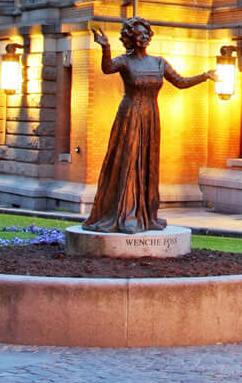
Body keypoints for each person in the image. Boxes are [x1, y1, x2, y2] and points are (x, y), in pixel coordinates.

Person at [82, 18, 214, 233]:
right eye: (138, 34)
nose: (143, 38)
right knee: (128, 162)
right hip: (130, 116)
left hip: (151, 117)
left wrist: (204, 76)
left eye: (145, 34)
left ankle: (147, 215)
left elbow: (180, 82)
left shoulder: (159, 63)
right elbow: (107, 68)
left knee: (147, 165)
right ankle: (126, 214)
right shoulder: (125, 61)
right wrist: (105, 47)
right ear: (130, 38)